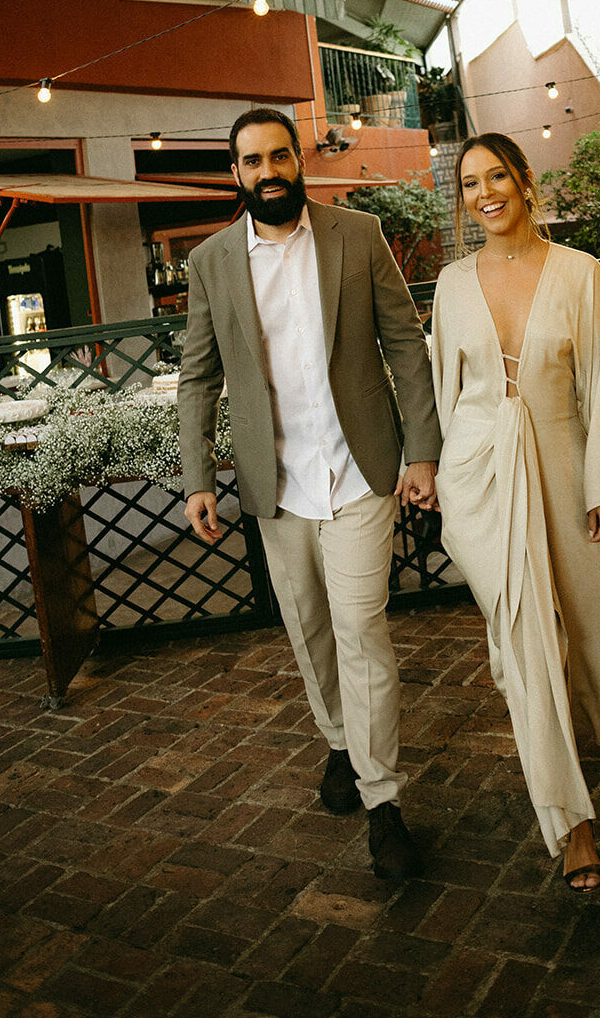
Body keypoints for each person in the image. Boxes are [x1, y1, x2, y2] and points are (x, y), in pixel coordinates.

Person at [178, 108, 441, 881]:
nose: (268, 171)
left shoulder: (357, 235)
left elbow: (404, 342)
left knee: (361, 630)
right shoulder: (211, 262)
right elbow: (197, 378)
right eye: (252, 161)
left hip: (360, 470)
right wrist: (198, 478)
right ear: (235, 173)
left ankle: (382, 800)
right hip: (278, 484)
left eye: (279, 156)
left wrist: (421, 451)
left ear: (298, 160)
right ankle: (337, 741)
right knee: (309, 630)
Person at [420, 133, 600, 890]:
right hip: (480, 478)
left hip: (564, 464)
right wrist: (436, 472)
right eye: (469, 183)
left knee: (588, 628)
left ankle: (567, 727)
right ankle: (572, 824)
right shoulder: (451, 285)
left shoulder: (581, 275)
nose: (484, 193)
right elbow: (442, 391)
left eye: (496, 176)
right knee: (529, 642)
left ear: (524, 181)